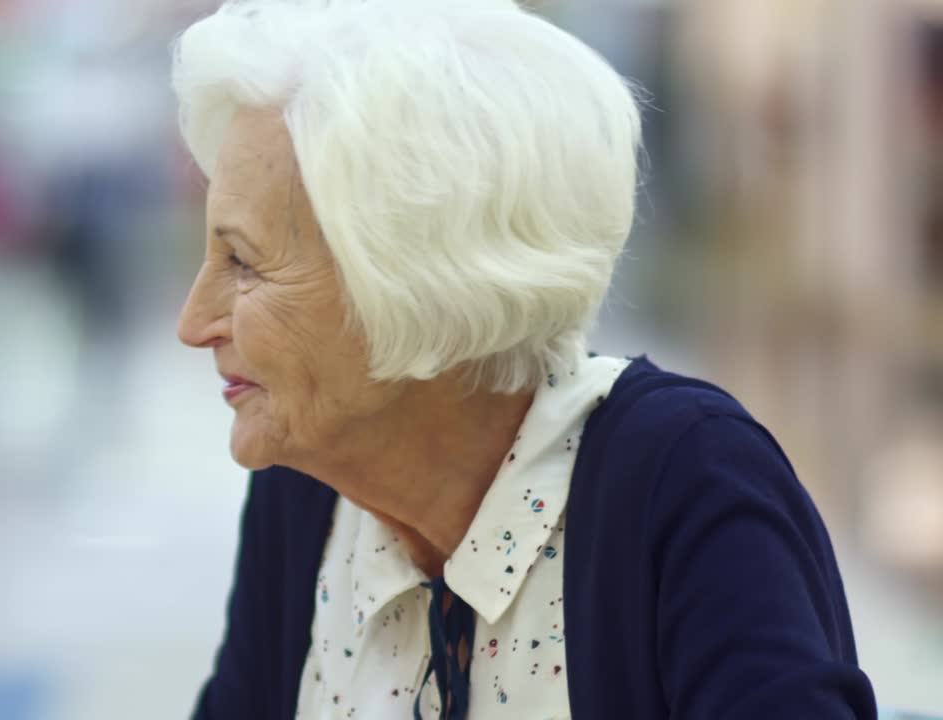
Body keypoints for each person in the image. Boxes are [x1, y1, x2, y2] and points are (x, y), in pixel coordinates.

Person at [171, 1, 877, 718]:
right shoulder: (307, 494)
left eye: (245, 263)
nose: (193, 324)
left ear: (418, 280)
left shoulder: (685, 486)